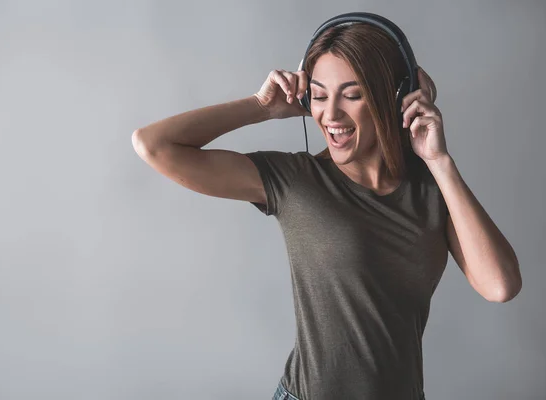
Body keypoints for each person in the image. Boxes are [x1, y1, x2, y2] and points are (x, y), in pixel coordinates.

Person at [132, 21, 521, 400]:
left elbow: (500, 285)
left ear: (396, 96)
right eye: (318, 95)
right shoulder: (297, 181)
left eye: (352, 95)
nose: (331, 115)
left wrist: (439, 160)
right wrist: (261, 107)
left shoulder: (432, 187)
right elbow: (154, 145)